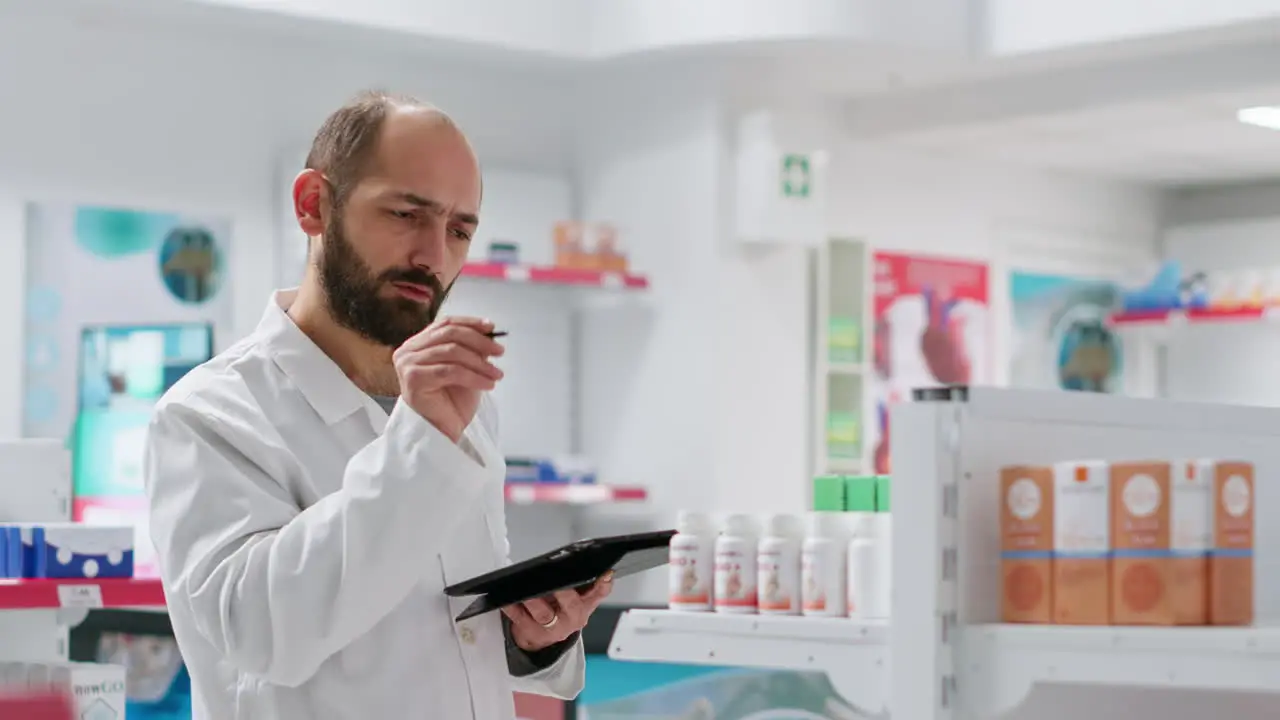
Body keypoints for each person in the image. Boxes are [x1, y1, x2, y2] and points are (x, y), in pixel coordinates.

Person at [143, 90, 612, 720]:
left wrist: (530, 638)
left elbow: (442, 627)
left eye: (459, 229)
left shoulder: (458, 406)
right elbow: (264, 636)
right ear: (314, 205)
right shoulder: (211, 415)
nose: (434, 255)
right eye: (405, 214)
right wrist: (421, 443)